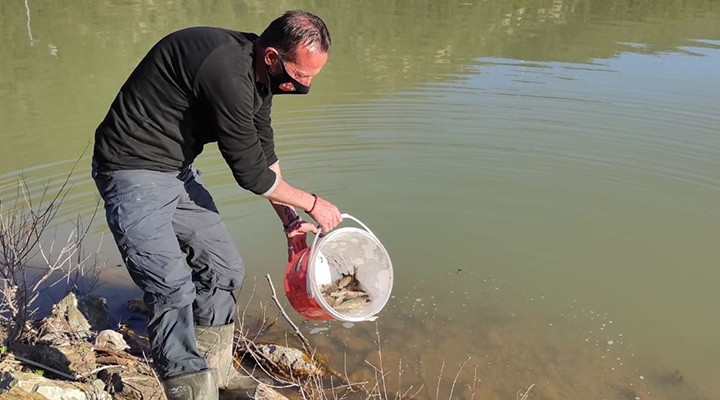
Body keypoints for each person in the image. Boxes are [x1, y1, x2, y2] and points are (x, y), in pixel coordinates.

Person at [91, 10, 342, 400]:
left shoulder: (259, 73)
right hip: (131, 170)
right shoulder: (226, 71)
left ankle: (216, 372)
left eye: (312, 76)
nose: (305, 84)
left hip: (176, 170)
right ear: (274, 57)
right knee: (170, 284)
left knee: (224, 268)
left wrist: (290, 220)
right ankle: (189, 386)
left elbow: (263, 153)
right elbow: (251, 175)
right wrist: (313, 203)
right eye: (302, 75)